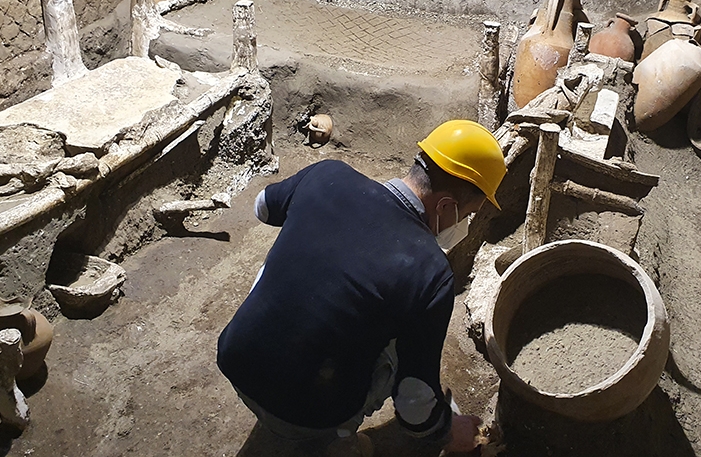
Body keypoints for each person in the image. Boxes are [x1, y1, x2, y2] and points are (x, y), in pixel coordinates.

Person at [217, 120, 507, 456]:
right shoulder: (429, 271)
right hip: (304, 415)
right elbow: (414, 406)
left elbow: (263, 206)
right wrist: (447, 431)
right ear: (445, 207)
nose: (462, 224)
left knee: (288, 266)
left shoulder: (328, 175)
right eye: (466, 214)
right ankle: (335, 442)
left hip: (235, 357)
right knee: (401, 340)